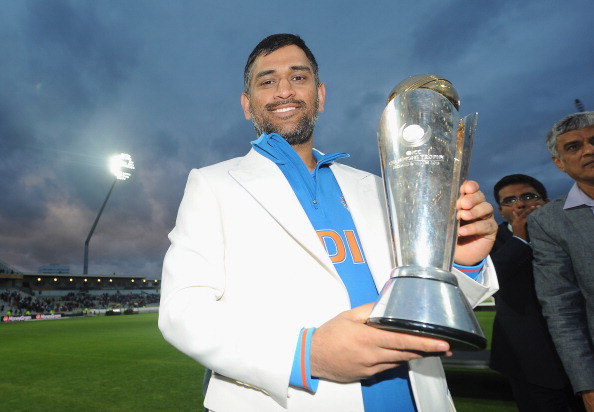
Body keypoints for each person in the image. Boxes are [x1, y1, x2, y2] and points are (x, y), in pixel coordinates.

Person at [158, 33, 498, 412]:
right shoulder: (213, 183)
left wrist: (462, 262)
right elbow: (182, 310)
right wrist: (306, 355)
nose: (284, 91)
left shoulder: (379, 186)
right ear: (246, 104)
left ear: (320, 95)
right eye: (267, 81)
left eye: (298, 78)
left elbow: (426, 306)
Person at [489, 174, 581, 411]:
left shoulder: (571, 232)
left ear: (546, 201)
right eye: (510, 200)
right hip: (527, 358)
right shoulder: (490, 240)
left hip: (581, 351)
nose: (520, 204)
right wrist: (520, 238)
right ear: (501, 211)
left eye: (528, 196)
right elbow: (490, 280)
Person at [528, 111, 594, 412]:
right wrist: (586, 382)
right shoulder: (548, 221)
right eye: (573, 146)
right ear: (559, 163)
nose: (588, 150)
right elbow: (561, 307)